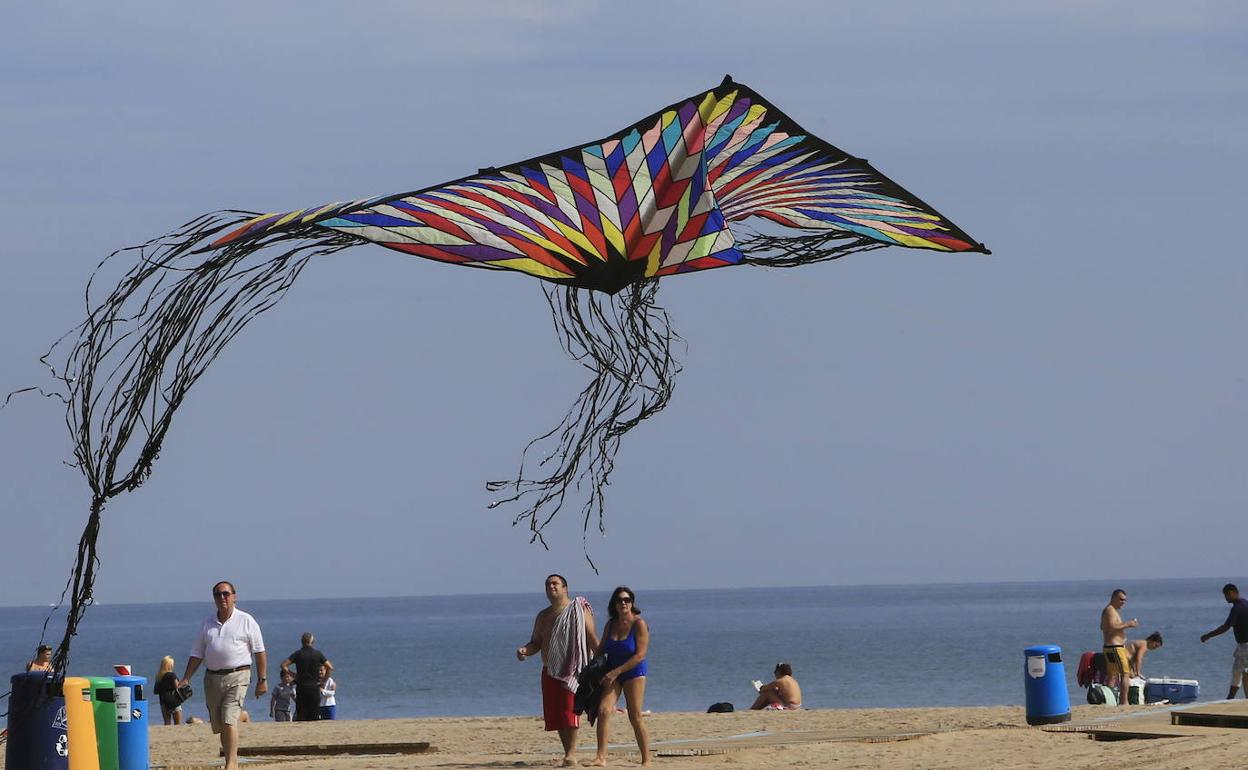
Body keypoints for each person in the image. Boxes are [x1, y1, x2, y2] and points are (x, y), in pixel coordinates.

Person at [178, 580, 267, 770]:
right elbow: (197, 653)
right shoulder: (207, 623)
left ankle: (231, 763)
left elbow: (259, 651)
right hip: (212, 678)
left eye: (226, 594)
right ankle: (229, 757)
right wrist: (186, 678)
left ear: (234, 596)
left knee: (229, 718)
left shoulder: (246, 620)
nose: (222, 598)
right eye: (218, 595)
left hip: (238, 675)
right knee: (219, 724)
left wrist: (262, 680)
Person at [517, 574, 600, 768]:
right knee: (556, 716)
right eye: (547, 584)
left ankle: (571, 754)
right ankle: (567, 753)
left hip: (572, 669)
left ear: (565, 588)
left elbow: (590, 637)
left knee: (569, 711)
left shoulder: (578, 609)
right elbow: (536, 643)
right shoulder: (543, 616)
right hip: (549, 670)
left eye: (555, 583)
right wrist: (524, 652)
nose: (551, 587)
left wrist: (602, 662)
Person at [592, 585, 650, 767]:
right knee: (603, 711)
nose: (623, 603)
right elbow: (600, 650)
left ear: (632, 603)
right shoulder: (610, 625)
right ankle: (601, 757)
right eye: (619, 600)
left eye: (627, 600)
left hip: (633, 672)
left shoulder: (639, 624)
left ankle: (646, 759)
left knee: (635, 716)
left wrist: (615, 672)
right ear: (614, 604)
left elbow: (640, 655)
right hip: (612, 673)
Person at [1200, 583, 1248, 699]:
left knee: (1237, 671)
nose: (1225, 598)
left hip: (1245, 646)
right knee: (1241, 672)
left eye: (1226, 596)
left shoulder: (1237, 609)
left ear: (1231, 593)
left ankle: (1230, 698)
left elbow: (1226, 627)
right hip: (1244, 645)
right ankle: (1234, 698)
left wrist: (1208, 635)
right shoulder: (1246, 603)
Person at [1100, 588, 1138, 705]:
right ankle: (1124, 702)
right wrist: (1129, 624)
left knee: (1112, 674)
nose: (1123, 602)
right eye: (1121, 599)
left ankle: (1109, 700)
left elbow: (1103, 627)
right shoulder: (1110, 610)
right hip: (1115, 648)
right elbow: (1112, 627)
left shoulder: (1110, 611)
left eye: (1125, 600)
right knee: (1125, 673)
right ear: (1114, 598)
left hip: (1111, 647)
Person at [281, 632, 331, 721]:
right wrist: (323, 681)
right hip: (314, 687)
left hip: (301, 687)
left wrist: (293, 674)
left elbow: (284, 665)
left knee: (302, 715)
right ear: (312, 642)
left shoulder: (298, 654)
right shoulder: (317, 654)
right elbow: (330, 667)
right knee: (314, 715)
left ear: (302, 642)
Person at [154, 655, 183, 725]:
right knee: (178, 723)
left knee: (167, 723)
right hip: (174, 701)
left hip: (163, 702)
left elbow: (155, 691)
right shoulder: (172, 675)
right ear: (169, 665)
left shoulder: (158, 676)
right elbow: (177, 687)